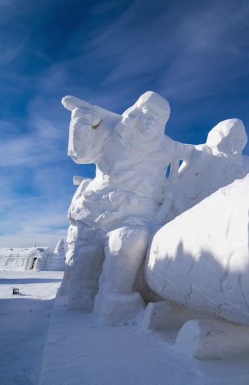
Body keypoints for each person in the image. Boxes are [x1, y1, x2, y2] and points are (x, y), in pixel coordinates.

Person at [60, 91, 195, 323]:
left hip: (137, 212)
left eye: (159, 118)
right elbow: (80, 155)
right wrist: (82, 120)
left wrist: (222, 145)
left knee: (127, 244)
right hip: (98, 208)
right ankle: (81, 300)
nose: (152, 121)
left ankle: (115, 300)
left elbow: (196, 152)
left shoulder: (167, 146)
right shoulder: (112, 129)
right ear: (136, 111)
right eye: (148, 114)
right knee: (86, 264)